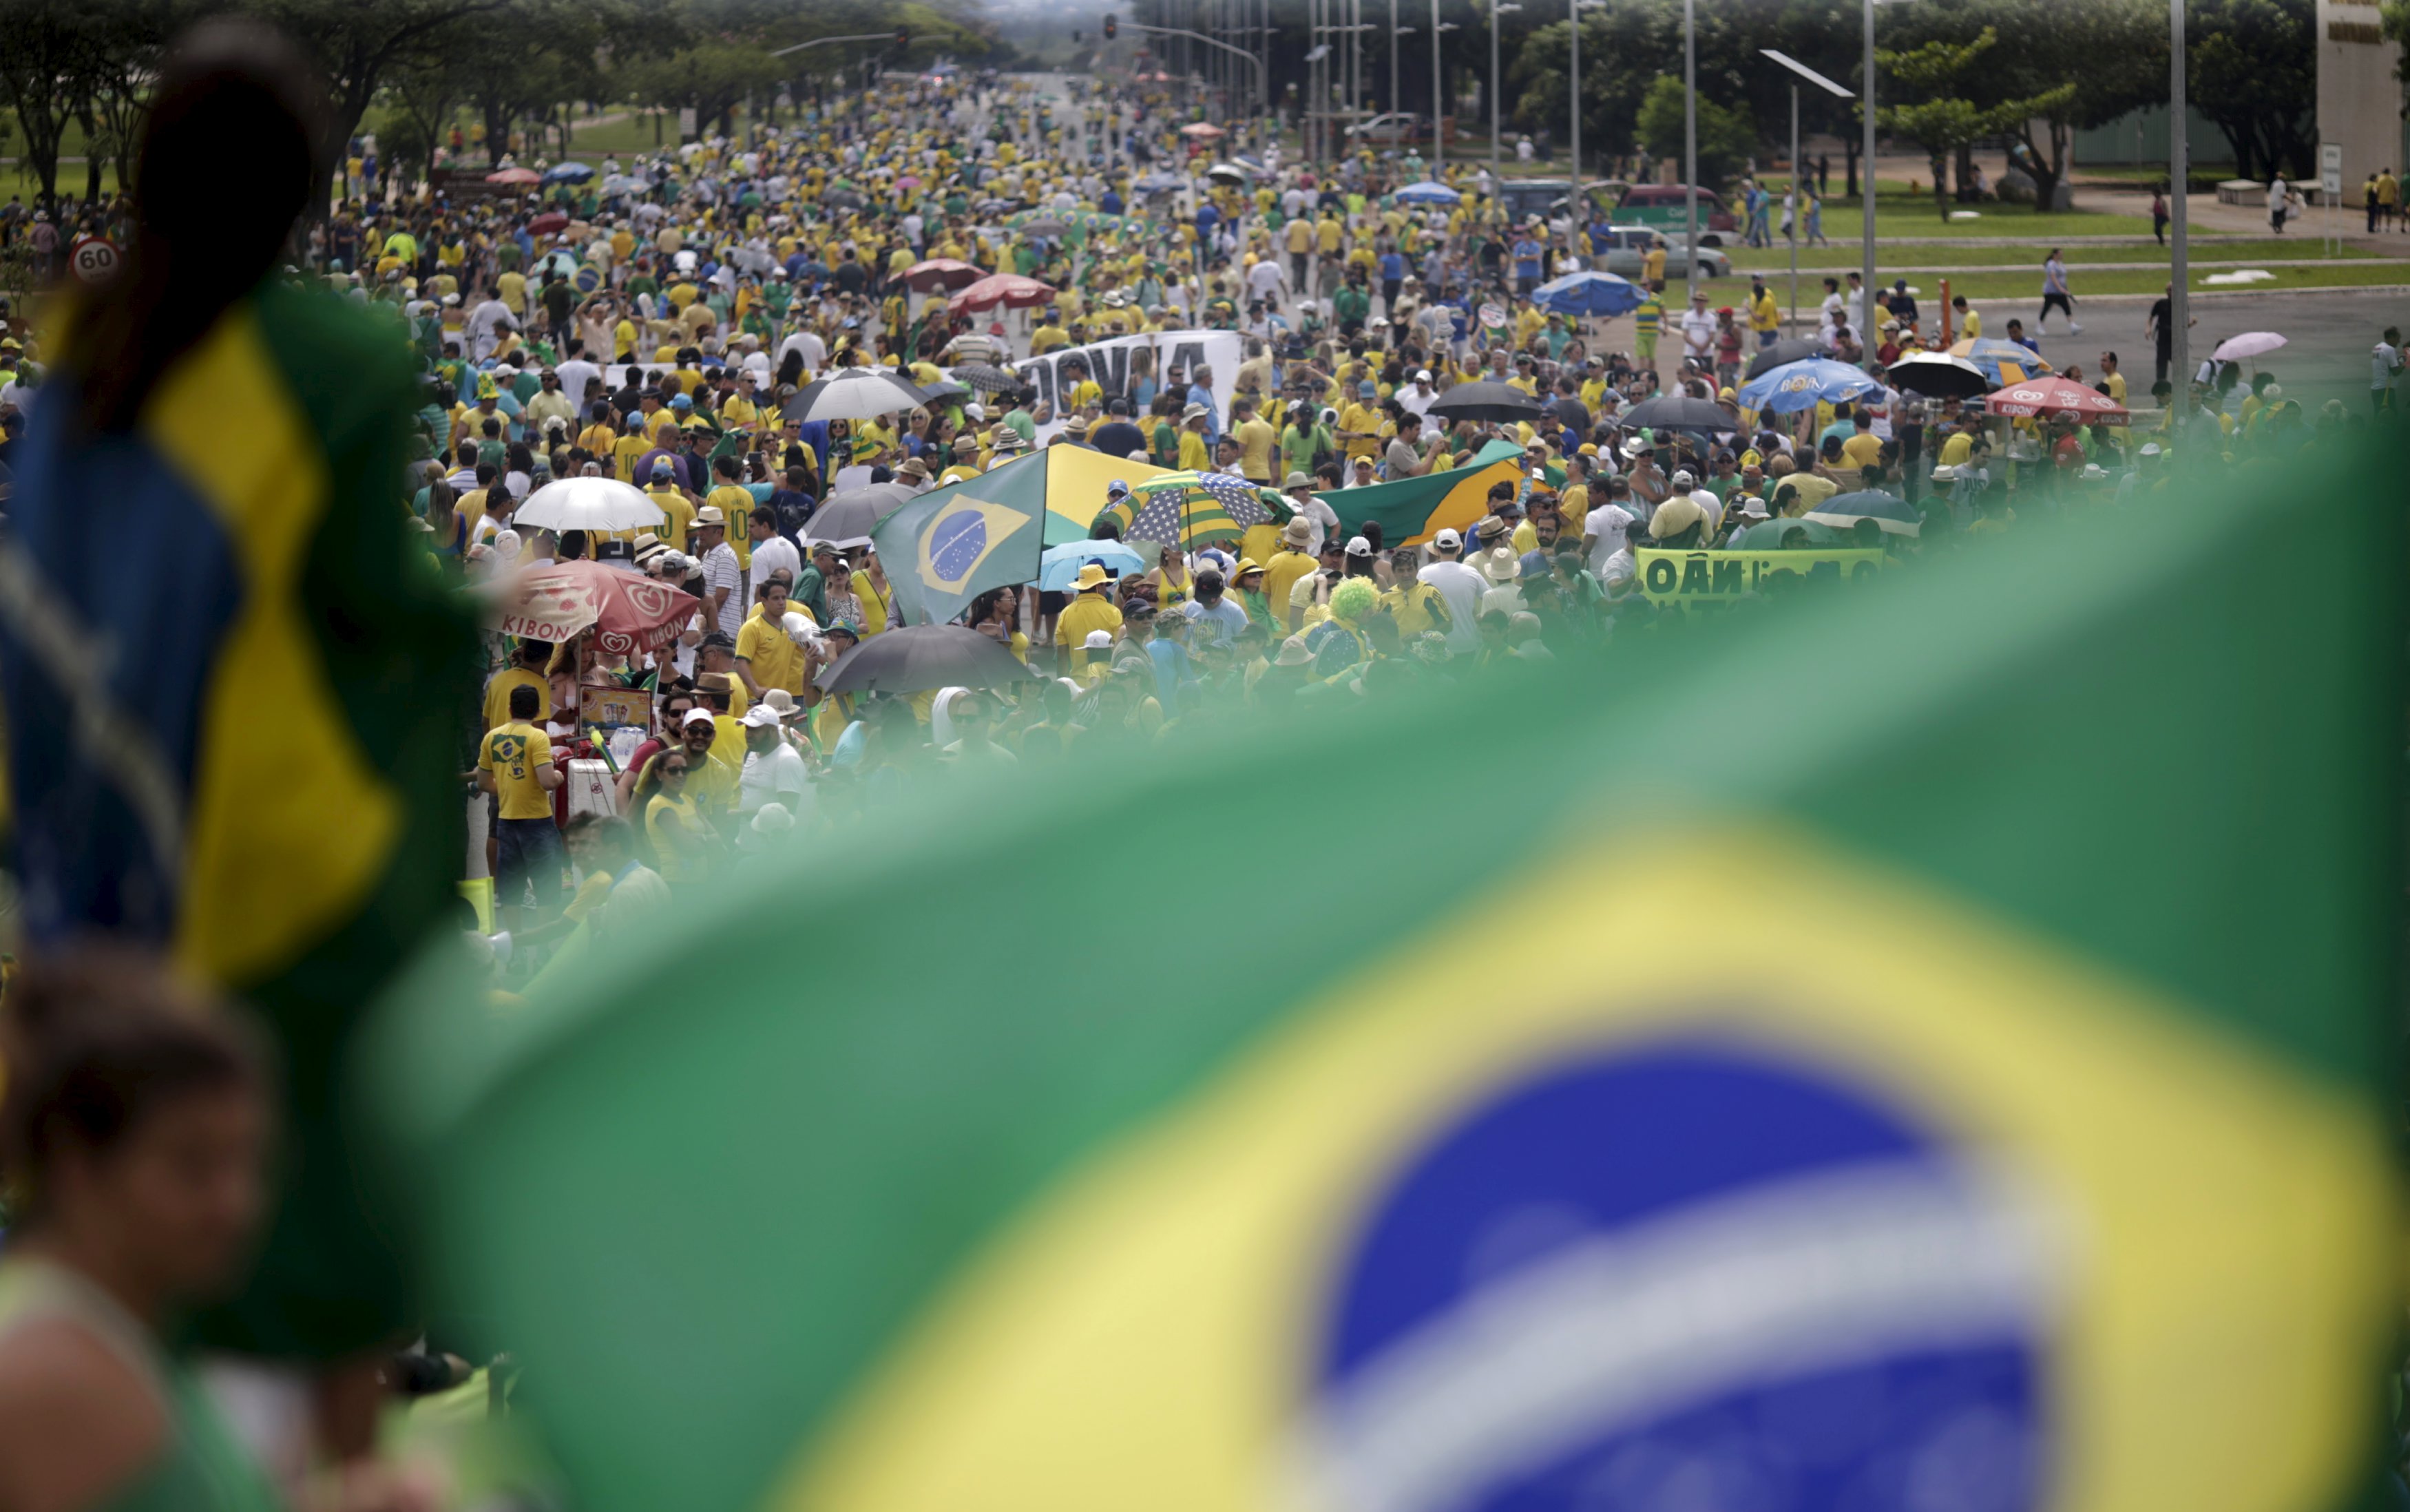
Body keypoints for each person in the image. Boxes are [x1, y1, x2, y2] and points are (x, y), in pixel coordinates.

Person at [0, 951, 282, 1512]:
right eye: (191, 1165)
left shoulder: (108, 1330)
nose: (236, 1204)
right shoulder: (59, 1380)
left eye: (247, 1162)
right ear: (74, 1164)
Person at [479, 683, 565, 925]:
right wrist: (559, 776)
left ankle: (514, 948)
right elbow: (548, 781)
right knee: (546, 887)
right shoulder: (538, 737)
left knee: (511, 891)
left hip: (506, 822)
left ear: (509, 709)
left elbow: (484, 782)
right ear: (538, 711)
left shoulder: (492, 737)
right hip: (537, 822)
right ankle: (542, 949)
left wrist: (508, 788)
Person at [2039, 249, 2079, 336]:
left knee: (2066, 308)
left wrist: (2065, 289)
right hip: (2051, 292)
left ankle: (2073, 326)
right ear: (2055, 255)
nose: (2062, 256)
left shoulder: (2061, 264)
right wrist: (2060, 288)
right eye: (2060, 254)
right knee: (2046, 308)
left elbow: (2063, 279)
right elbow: (2053, 278)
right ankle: (2040, 326)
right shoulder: (2051, 265)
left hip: (2060, 291)